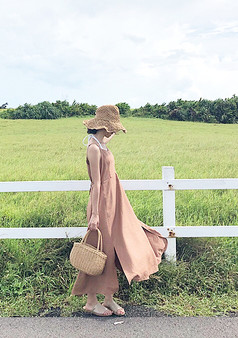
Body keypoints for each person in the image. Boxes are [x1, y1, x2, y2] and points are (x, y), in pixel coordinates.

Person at [71, 105, 168, 317]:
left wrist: (114, 132)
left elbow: (107, 142)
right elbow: (96, 184)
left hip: (115, 201)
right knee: (101, 250)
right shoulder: (93, 148)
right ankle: (90, 301)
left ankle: (108, 299)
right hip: (102, 204)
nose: (114, 132)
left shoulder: (101, 143)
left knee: (115, 249)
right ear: (104, 127)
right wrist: (95, 215)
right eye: (112, 128)